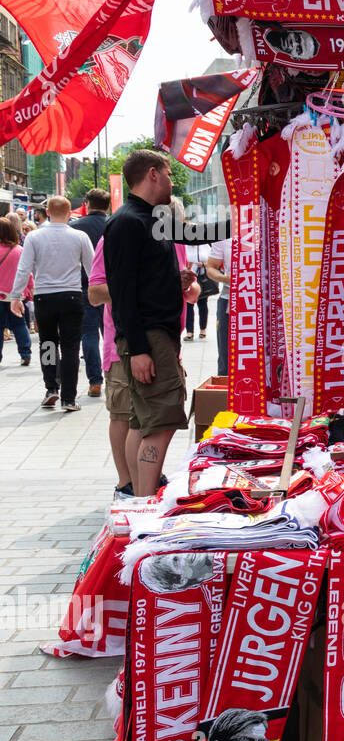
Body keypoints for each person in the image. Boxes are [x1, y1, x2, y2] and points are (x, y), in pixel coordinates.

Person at [102, 150, 193, 496]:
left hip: (155, 335)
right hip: (150, 338)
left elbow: (140, 282)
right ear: (152, 174)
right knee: (161, 424)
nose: (172, 181)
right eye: (169, 174)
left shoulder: (148, 219)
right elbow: (122, 292)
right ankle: (144, 503)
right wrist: (139, 348)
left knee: (143, 425)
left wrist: (176, 281)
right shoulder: (128, 221)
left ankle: (140, 499)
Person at [89, 233, 193, 498]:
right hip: (126, 346)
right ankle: (127, 485)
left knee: (149, 419)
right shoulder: (116, 237)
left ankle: (144, 486)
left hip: (165, 346)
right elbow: (95, 292)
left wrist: (186, 285)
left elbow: (190, 291)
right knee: (126, 415)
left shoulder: (174, 241)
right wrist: (151, 286)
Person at [2, 195, 94, 411]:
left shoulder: (34, 237)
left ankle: (51, 387)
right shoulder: (79, 236)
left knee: (48, 343)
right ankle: (69, 398)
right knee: (71, 346)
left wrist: (16, 297)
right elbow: (92, 268)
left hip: (44, 296)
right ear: (70, 212)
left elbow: (24, 269)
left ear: (48, 213)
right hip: (71, 295)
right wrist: (94, 293)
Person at [71, 188, 112, 398]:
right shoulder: (115, 225)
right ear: (108, 205)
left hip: (84, 286)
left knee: (88, 334)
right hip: (112, 287)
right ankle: (112, 375)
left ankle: (95, 381)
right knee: (112, 332)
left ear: (86, 203)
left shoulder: (75, 228)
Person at [0, 216, 33, 367]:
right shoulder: (19, 250)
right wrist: (30, 290)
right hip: (16, 294)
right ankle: (25, 353)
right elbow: (28, 273)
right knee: (20, 324)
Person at [206, 222, 232, 378]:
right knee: (226, 355)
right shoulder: (225, 233)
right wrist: (225, 278)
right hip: (229, 300)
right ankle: (225, 398)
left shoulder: (266, 229)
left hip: (260, 304)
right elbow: (211, 267)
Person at [182, 239, 211, 341]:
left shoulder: (204, 246)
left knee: (202, 304)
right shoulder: (184, 245)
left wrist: (203, 264)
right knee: (188, 305)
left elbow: (212, 262)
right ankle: (189, 332)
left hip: (202, 278)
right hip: (189, 281)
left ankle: (203, 329)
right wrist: (187, 267)